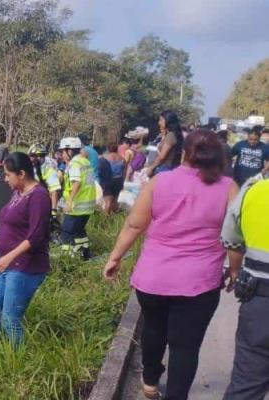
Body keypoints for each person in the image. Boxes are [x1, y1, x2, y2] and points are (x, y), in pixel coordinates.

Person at [103, 130, 237, 400]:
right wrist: (234, 269)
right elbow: (235, 239)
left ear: (184, 153)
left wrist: (114, 257)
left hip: (154, 278)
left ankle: (150, 381)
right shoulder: (227, 187)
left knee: (154, 329)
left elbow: (134, 225)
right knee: (185, 348)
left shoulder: (160, 182)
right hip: (199, 284)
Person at [0, 152, 51, 345]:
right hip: (7, 266)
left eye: (7, 174)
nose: (5, 179)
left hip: (25, 267)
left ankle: (15, 362)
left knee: (10, 318)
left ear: (21, 174)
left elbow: (35, 237)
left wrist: (9, 256)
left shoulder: (39, 197)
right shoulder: (18, 193)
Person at [222, 171, 269, 400]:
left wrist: (235, 271)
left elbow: (231, 241)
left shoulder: (253, 191)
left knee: (246, 385)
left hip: (261, 301)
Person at [58, 137, 96, 260]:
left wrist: (69, 201)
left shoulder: (74, 164)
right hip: (88, 205)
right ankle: (85, 255)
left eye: (63, 152)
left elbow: (77, 183)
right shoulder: (85, 162)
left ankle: (67, 259)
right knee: (79, 232)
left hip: (77, 205)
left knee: (66, 231)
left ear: (70, 151)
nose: (62, 155)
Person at [145, 110, 184, 177]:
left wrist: (151, 168)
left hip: (165, 170)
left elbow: (162, 157)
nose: (159, 122)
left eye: (161, 120)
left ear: (168, 121)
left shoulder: (171, 135)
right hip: (169, 169)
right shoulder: (171, 134)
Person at [28, 143, 61, 212]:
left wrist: (54, 210)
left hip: (43, 199)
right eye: (34, 156)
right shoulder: (25, 166)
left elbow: (54, 191)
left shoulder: (49, 169)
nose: (39, 158)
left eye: (41, 155)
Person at [99, 143, 126, 214]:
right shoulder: (122, 158)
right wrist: (123, 182)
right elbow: (124, 172)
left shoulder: (104, 158)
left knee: (108, 200)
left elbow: (100, 170)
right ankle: (114, 217)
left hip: (107, 180)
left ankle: (106, 218)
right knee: (115, 200)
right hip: (118, 180)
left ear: (108, 149)